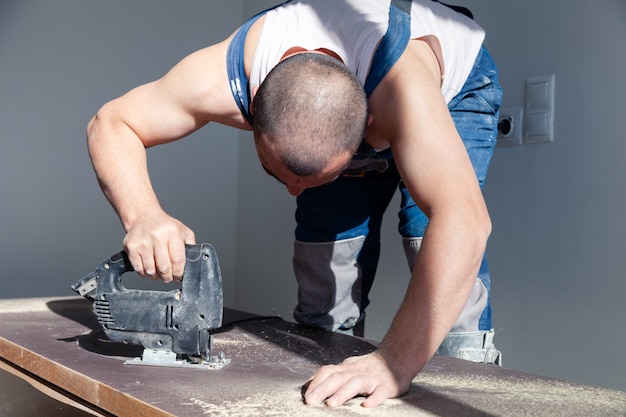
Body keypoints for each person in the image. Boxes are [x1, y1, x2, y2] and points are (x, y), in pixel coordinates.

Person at [86, 0, 503, 408]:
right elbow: (112, 122)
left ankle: (465, 374)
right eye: (279, 175)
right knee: (328, 259)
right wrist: (143, 214)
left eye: (313, 178)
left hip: (449, 88)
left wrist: (392, 362)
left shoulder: (404, 92)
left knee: (427, 231)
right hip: (347, 99)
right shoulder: (219, 77)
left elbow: (464, 222)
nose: (293, 192)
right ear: (249, 116)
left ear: (368, 126)